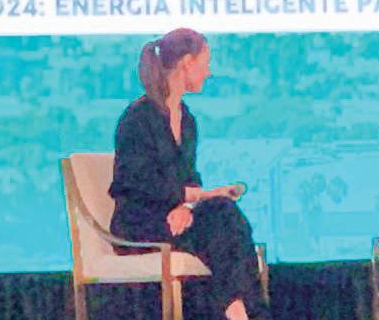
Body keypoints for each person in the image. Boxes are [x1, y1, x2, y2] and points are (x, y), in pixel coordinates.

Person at [109, 28, 268, 320]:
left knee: (223, 212)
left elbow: (188, 178)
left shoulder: (188, 120)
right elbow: (136, 183)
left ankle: (238, 311)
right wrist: (189, 198)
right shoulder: (137, 119)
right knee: (221, 221)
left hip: (178, 216)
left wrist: (187, 205)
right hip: (140, 222)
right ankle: (243, 312)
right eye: (205, 63)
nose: (208, 72)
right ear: (186, 63)